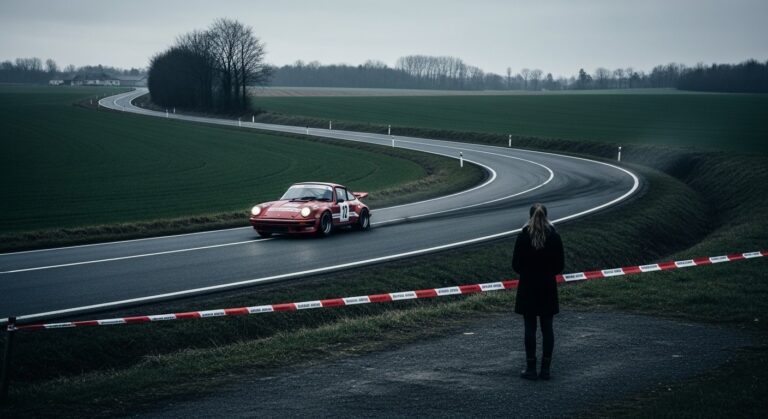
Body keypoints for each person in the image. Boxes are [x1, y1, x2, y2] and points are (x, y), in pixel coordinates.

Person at [512, 203, 564, 380]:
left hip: (528, 286)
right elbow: (560, 266)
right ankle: (546, 369)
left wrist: (528, 272)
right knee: (547, 328)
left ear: (529, 217)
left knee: (530, 327)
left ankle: (531, 367)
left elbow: (515, 265)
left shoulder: (523, 238)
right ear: (547, 216)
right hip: (547, 286)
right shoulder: (554, 237)